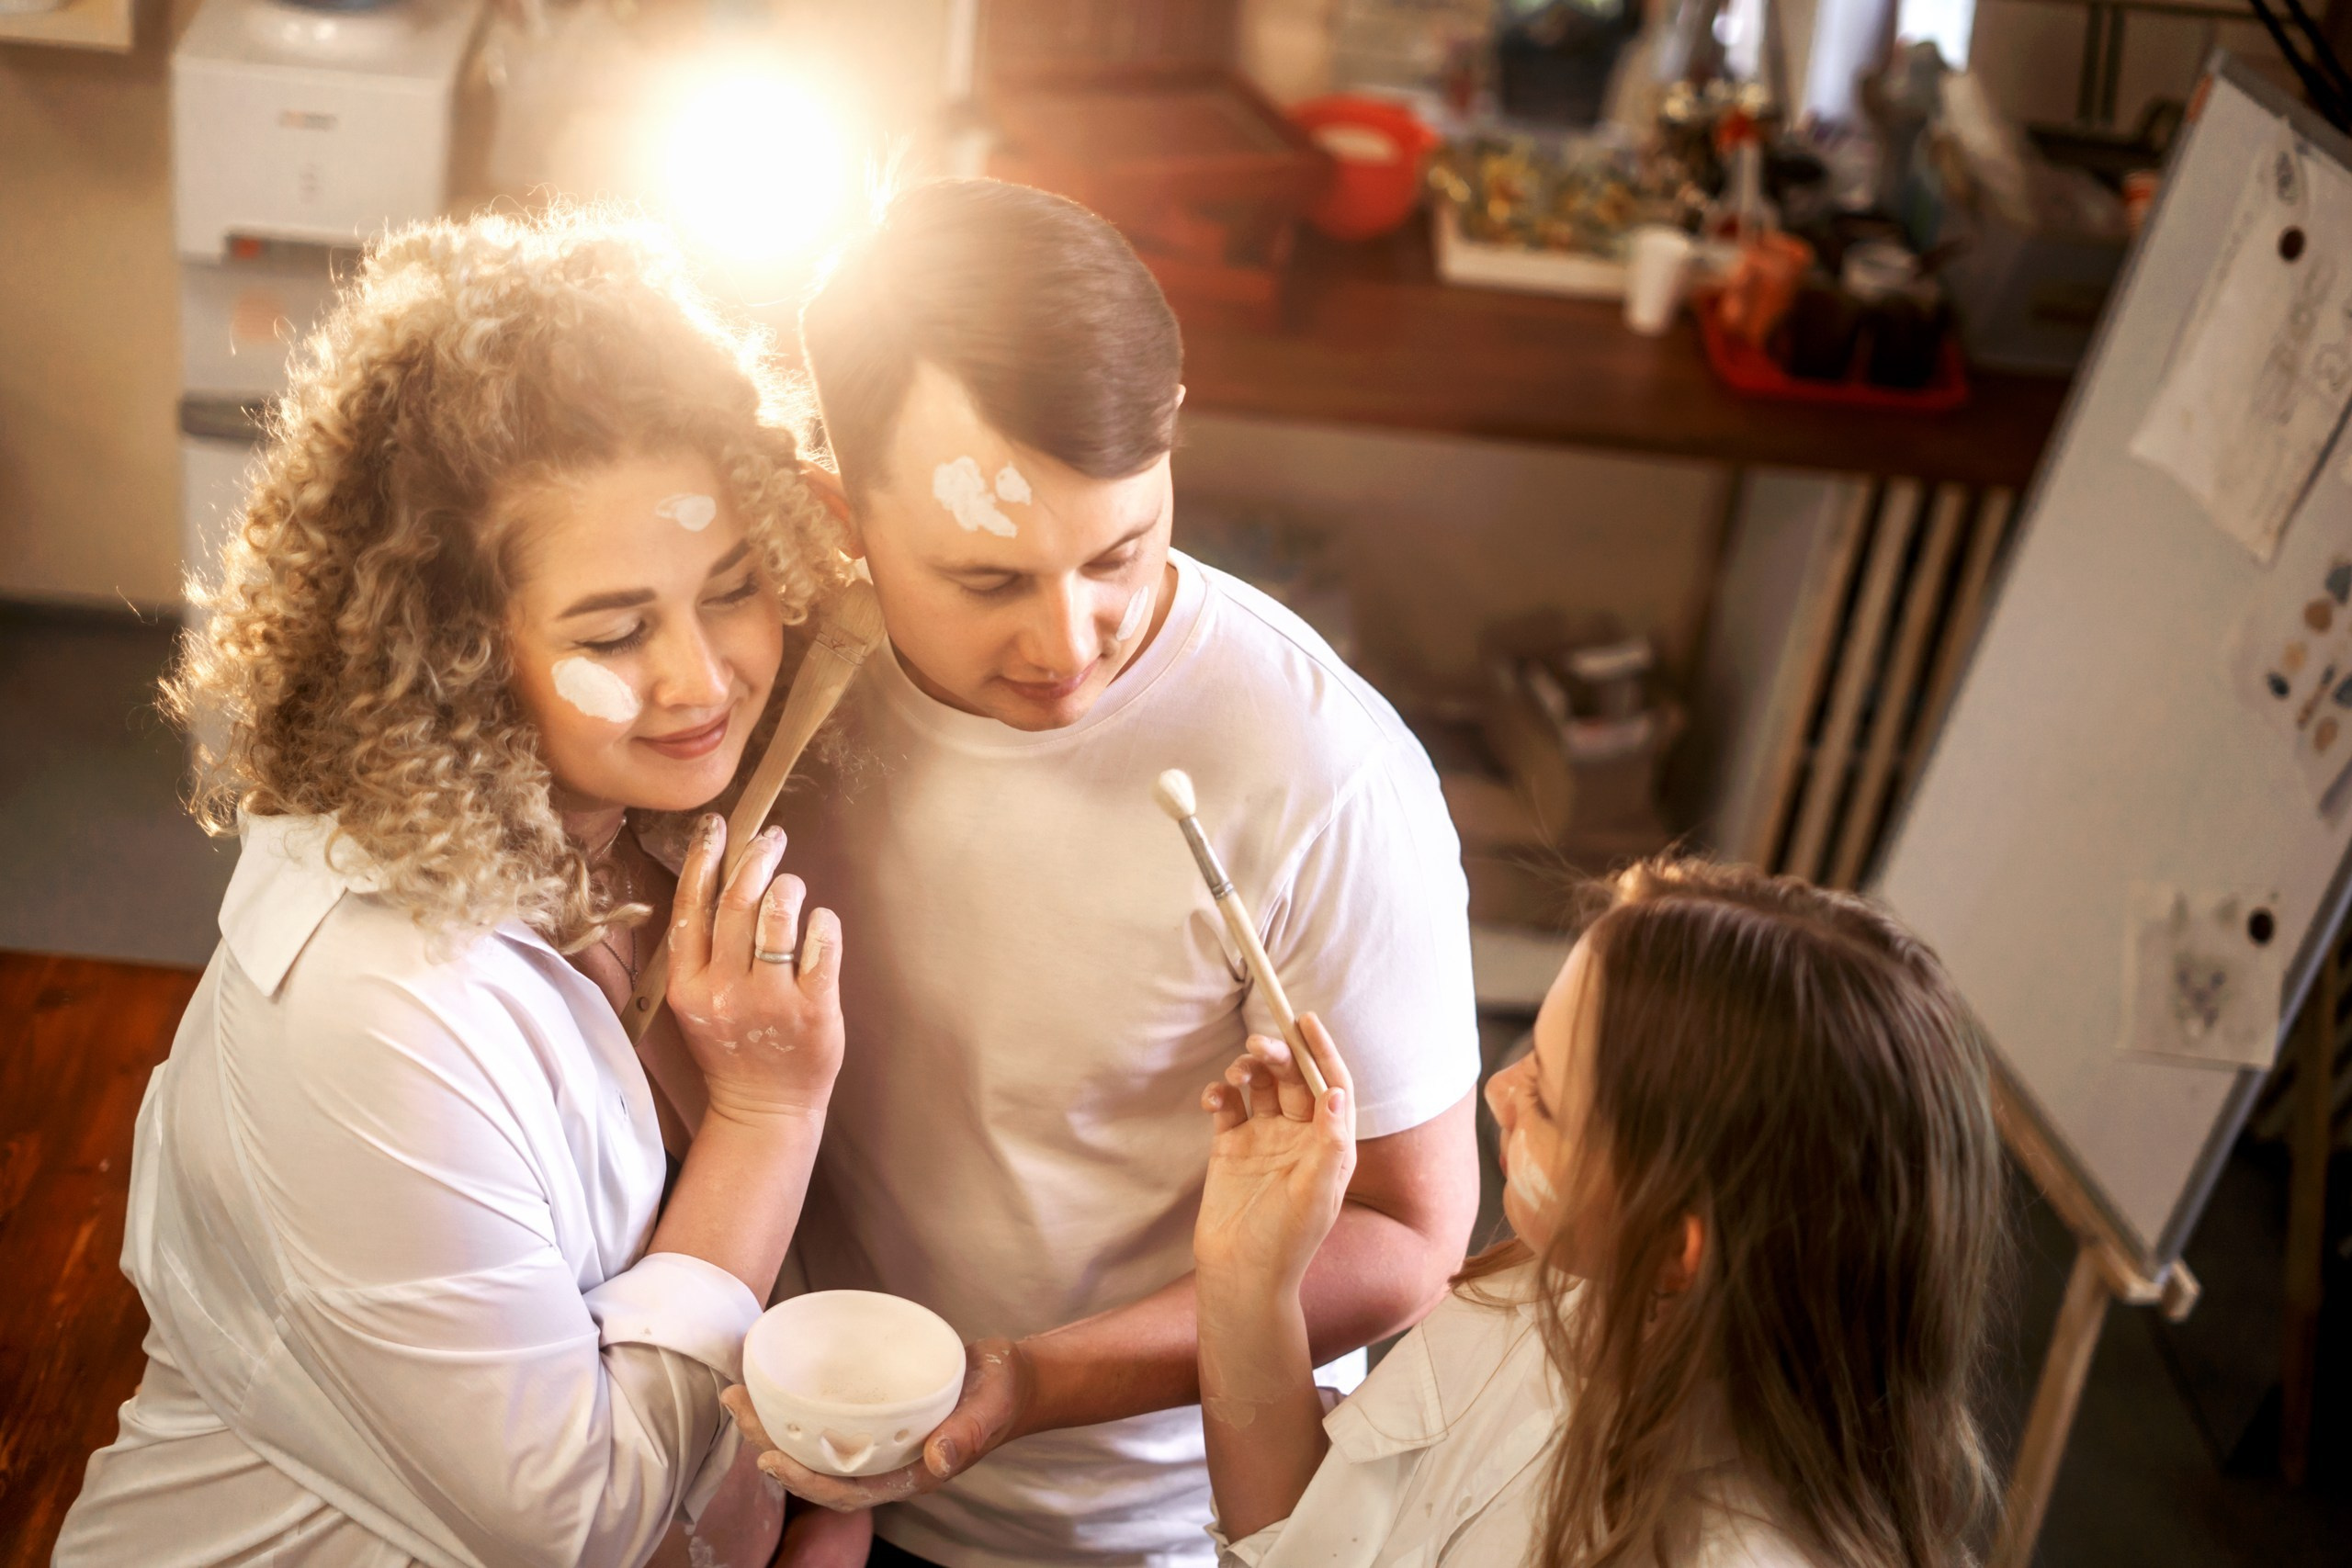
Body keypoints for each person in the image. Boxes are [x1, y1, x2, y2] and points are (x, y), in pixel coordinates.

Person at [55, 209, 852, 1568]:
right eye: (615, 629)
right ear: (457, 653)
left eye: (734, 586)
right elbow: (577, 1522)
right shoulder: (372, 1003)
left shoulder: (617, 823)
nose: (703, 677)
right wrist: (769, 1114)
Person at [726, 178, 1486, 1567]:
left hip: (1159, 1520)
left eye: (1119, 551)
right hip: (809, 1458)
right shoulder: (767, 679)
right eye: (987, 580)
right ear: (840, 513)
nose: (1070, 643)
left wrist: (1031, 1381)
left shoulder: (1321, 769)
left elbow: (1411, 1230)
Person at [1186, 858, 2007, 1568]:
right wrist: (1246, 1280)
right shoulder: (1546, 1293)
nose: (1498, 1092)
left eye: (1544, 1095)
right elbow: (1321, 1539)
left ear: (1678, 1252)